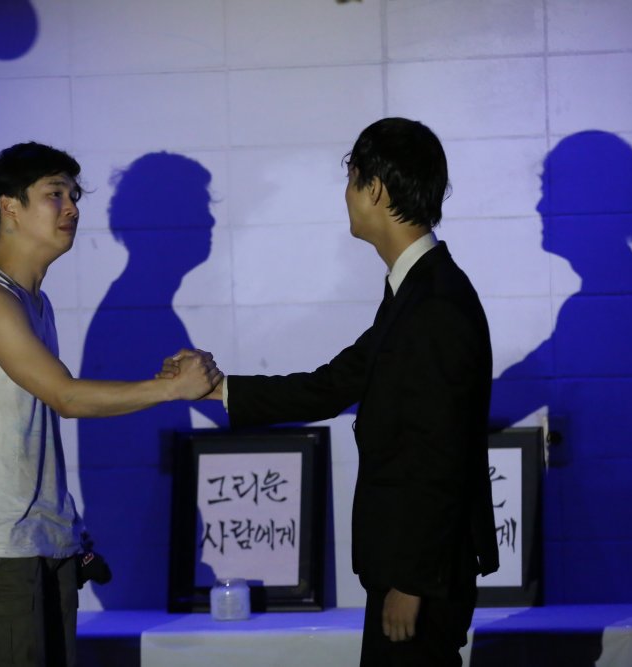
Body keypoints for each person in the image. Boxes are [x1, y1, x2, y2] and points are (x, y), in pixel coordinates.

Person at [165, 117, 499, 666]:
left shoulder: (435, 303)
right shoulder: (415, 292)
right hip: (407, 567)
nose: (346, 195)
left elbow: (440, 452)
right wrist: (218, 390)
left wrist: (411, 582)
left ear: (376, 189)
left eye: (351, 180)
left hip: (420, 576)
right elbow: (331, 385)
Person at [0, 141, 221, 667]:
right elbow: (65, 396)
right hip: (0, 547)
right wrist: (169, 389)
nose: (71, 208)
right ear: (9, 206)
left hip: (47, 540)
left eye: (74, 196)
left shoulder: (33, 302)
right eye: (55, 194)